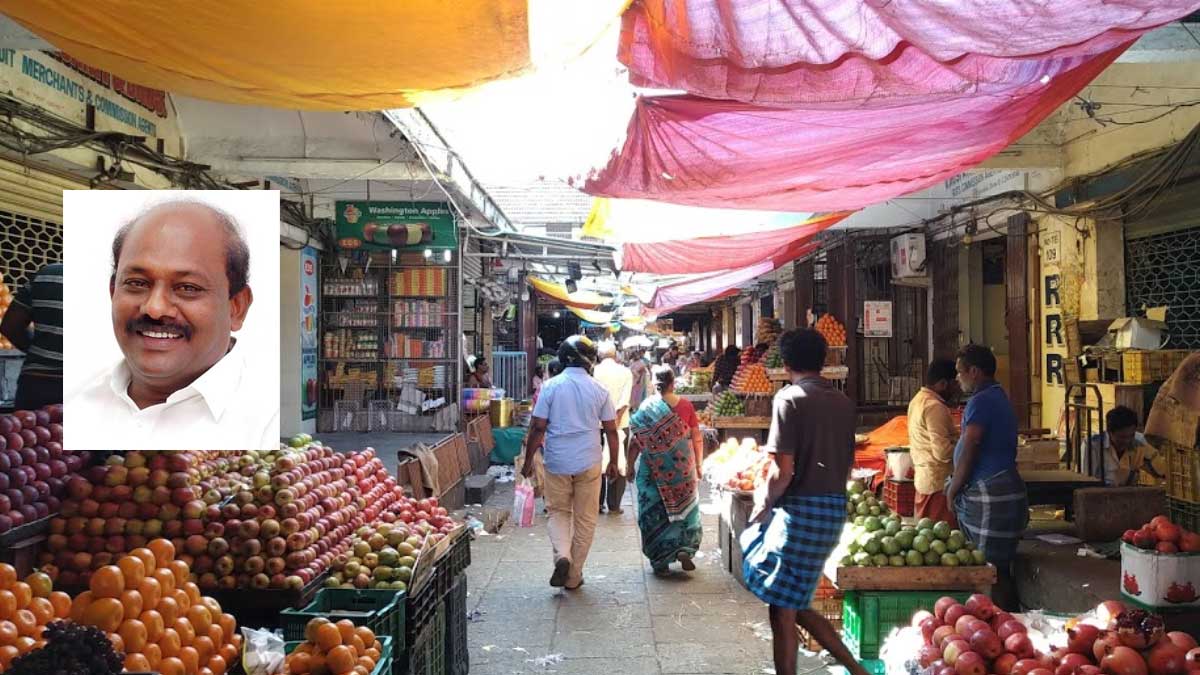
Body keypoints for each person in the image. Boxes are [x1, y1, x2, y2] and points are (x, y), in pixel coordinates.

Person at [65, 200, 277, 450]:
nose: (155, 308)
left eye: (188, 288)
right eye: (137, 283)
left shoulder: (267, 423)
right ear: (113, 292)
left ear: (236, 307)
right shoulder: (73, 406)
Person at [741, 329, 867, 675]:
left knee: (781, 605)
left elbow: (782, 471)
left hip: (800, 514)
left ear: (785, 362)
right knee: (793, 601)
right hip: (832, 510)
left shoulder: (789, 399)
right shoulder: (843, 402)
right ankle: (857, 670)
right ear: (824, 360)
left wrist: (762, 505)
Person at [520, 335, 621, 590]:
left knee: (558, 512)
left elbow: (537, 427)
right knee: (586, 519)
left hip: (557, 460)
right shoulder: (599, 389)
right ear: (589, 360)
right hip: (589, 459)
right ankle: (574, 575)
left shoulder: (550, 387)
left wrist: (529, 459)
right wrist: (614, 461)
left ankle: (562, 555)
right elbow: (611, 429)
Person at [948, 344, 1028, 612]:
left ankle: (997, 622)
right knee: (997, 569)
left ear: (974, 371)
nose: (958, 380)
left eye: (960, 373)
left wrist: (953, 489)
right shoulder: (998, 396)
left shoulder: (981, 401)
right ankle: (1006, 621)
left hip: (990, 494)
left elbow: (971, 447)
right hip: (1002, 487)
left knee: (986, 570)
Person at [629, 366, 704, 574]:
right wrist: (698, 464)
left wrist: (628, 465)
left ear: (654, 384)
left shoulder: (645, 408)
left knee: (653, 511)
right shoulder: (687, 406)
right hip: (682, 467)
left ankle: (660, 560)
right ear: (673, 383)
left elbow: (635, 442)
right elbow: (697, 437)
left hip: (653, 469)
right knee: (686, 510)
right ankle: (684, 549)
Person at [0, 262, 63, 410]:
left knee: (28, 431)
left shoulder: (46, 274)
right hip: (85, 386)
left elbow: (10, 326)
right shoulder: (117, 285)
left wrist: (40, 350)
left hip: (36, 383)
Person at [908, 359, 960, 528]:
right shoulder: (934, 407)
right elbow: (942, 452)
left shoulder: (917, 400)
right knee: (941, 541)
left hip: (926, 480)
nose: (957, 388)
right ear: (943, 384)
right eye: (955, 383)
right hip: (938, 485)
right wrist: (966, 445)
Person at [593, 342, 633, 514]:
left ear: (600, 356)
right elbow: (624, 401)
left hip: (596, 425)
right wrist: (614, 423)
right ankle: (614, 504)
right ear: (615, 355)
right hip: (620, 425)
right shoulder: (625, 372)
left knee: (596, 464)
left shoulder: (593, 371)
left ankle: (597, 502)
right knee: (618, 461)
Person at [1083, 406, 1163, 487]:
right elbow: (1087, 482)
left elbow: (1160, 469)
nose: (1127, 441)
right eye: (1122, 437)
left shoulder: (1139, 443)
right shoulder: (1093, 445)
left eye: (1131, 436)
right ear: (1109, 432)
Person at [627, 347, 651, 414]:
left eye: (636, 355)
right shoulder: (631, 362)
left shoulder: (641, 362)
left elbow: (643, 372)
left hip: (639, 381)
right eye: (634, 355)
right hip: (632, 380)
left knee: (638, 395)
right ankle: (631, 407)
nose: (635, 356)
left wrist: (639, 379)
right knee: (632, 394)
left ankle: (637, 408)